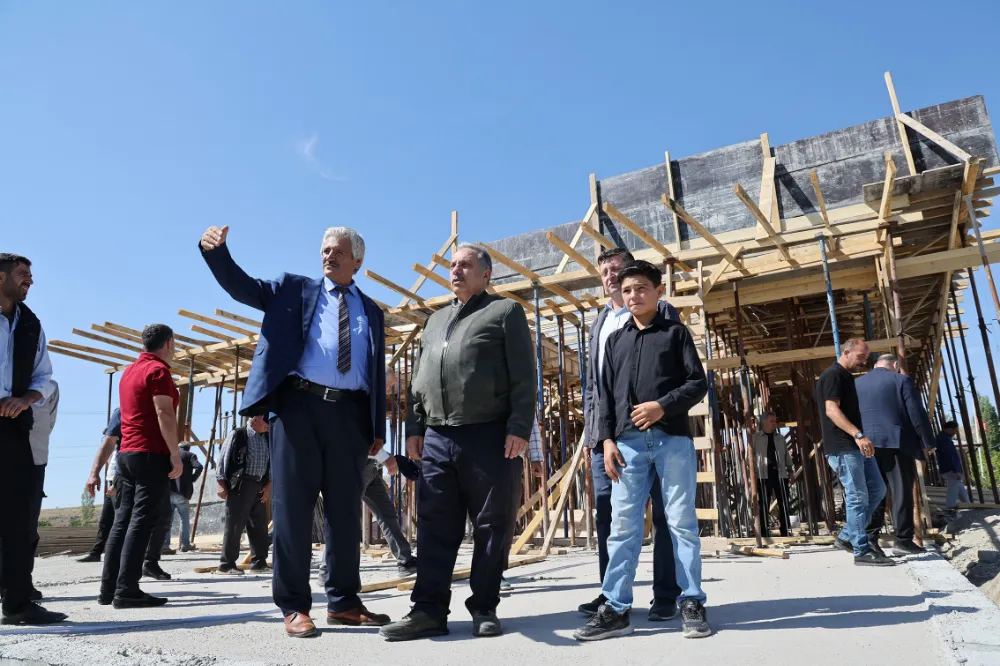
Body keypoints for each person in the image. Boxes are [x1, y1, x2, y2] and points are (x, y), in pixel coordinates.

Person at [200, 224, 389, 639]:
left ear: (357, 261)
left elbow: (374, 370)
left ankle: (344, 602)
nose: (329, 256)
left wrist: (378, 426)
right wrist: (217, 253)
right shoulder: (294, 290)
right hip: (299, 408)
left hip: (351, 415)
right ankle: (294, 605)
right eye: (325, 250)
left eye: (338, 251)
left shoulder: (372, 311)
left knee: (345, 514)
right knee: (293, 511)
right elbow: (243, 288)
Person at [380, 243, 535, 641]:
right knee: (435, 525)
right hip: (437, 436)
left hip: (488, 433)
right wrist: (414, 428)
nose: (456, 270)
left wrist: (519, 426)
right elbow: (418, 382)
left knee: (491, 524)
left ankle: (484, 606)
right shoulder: (434, 321)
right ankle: (428, 610)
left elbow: (524, 375)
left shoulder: (504, 311)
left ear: (486, 274)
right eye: (452, 265)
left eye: (466, 265)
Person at [572, 260, 709, 642]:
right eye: (628, 289)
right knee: (622, 528)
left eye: (642, 288)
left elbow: (697, 383)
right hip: (627, 446)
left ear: (658, 292)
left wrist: (662, 406)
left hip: (671, 440)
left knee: (680, 522)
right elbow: (608, 395)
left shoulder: (675, 333)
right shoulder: (616, 341)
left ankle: (692, 601)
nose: (634, 295)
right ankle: (616, 608)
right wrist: (607, 440)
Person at [579, 247, 682, 621]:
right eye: (604, 271)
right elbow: (594, 385)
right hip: (607, 435)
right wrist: (594, 433)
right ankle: (611, 595)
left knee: (664, 513)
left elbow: (674, 370)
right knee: (608, 514)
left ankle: (666, 594)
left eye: (616, 269)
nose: (610, 276)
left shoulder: (661, 311)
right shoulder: (600, 322)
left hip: (652, 430)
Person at [98, 324, 184, 608]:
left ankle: (109, 588)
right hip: (150, 452)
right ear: (169, 343)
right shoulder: (158, 371)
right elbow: (164, 412)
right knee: (142, 520)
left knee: (122, 521)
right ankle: (127, 590)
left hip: (126, 453)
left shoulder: (130, 371)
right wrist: (175, 453)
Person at [0, 252, 64, 625]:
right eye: (23, 274)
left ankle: (18, 604)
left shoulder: (30, 324)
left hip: (14, 430)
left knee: (20, 519)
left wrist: (25, 399)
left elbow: (44, 376)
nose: (30, 280)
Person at [816, 338, 893, 566]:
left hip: (854, 445)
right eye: (860, 356)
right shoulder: (833, 375)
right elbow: (831, 410)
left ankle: (847, 537)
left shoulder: (847, 377)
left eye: (866, 358)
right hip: (843, 446)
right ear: (846, 352)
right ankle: (861, 550)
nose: (863, 361)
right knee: (857, 496)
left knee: (877, 489)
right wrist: (858, 435)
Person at [856, 353, 935, 557]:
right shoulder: (901, 380)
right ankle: (902, 540)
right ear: (895, 365)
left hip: (866, 444)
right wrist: (928, 442)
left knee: (875, 492)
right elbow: (916, 412)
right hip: (897, 443)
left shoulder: (857, 384)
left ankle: (870, 539)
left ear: (875, 364)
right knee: (901, 492)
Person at [83, 407, 172, 579]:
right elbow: (108, 443)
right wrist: (96, 474)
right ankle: (118, 577)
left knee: (160, 519)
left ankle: (148, 564)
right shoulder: (124, 410)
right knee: (124, 522)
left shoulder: (159, 409)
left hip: (154, 470)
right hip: (128, 474)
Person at [216, 415, 272, 574]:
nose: (268, 424)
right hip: (240, 485)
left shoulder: (266, 438)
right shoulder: (238, 435)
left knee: (259, 526)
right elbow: (222, 459)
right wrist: (221, 483)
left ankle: (259, 563)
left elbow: (270, 464)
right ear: (255, 419)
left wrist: (267, 487)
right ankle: (226, 565)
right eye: (265, 420)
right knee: (235, 525)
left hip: (259, 485)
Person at [27, 381, 58, 601]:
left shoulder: (50, 387)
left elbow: (49, 423)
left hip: (33, 459)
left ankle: (19, 581)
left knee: (27, 528)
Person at [81, 408, 125, 562]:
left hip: (117, 482)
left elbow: (120, 467)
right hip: (110, 481)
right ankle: (95, 552)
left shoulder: (122, 449)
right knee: (105, 521)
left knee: (119, 520)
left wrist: (114, 485)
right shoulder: (112, 451)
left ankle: (117, 555)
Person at [751, 411, 794, 538]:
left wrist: (790, 471)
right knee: (764, 503)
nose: (774, 423)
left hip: (780, 473)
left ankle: (785, 530)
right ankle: (763, 531)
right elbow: (749, 457)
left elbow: (786, 456)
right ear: (764, 422)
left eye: (775, 421)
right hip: (763, 474)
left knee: (784, 502)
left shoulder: (780, 438)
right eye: (772, 421)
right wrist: (751, 472)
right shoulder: (756, 438)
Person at [164, 443, 203, 552]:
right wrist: (192, 478)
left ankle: (165, 545)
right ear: (188, 448)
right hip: (182, 492)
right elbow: (199, 467)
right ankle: (185, 544)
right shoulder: (190, 455)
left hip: (169, 491)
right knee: (184, 519)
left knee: (168, 520)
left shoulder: (171, 455)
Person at [935, 421, 968, 520]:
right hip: (950, 469)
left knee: (960, 487)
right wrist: (956, 470)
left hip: (948, 468)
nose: (955, 433)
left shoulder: (943, 438)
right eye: (954, 430)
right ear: (950, 429)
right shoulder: (944, 440)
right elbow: (951, 456)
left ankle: (968, 505)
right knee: (953, 489)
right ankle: (949, 510)